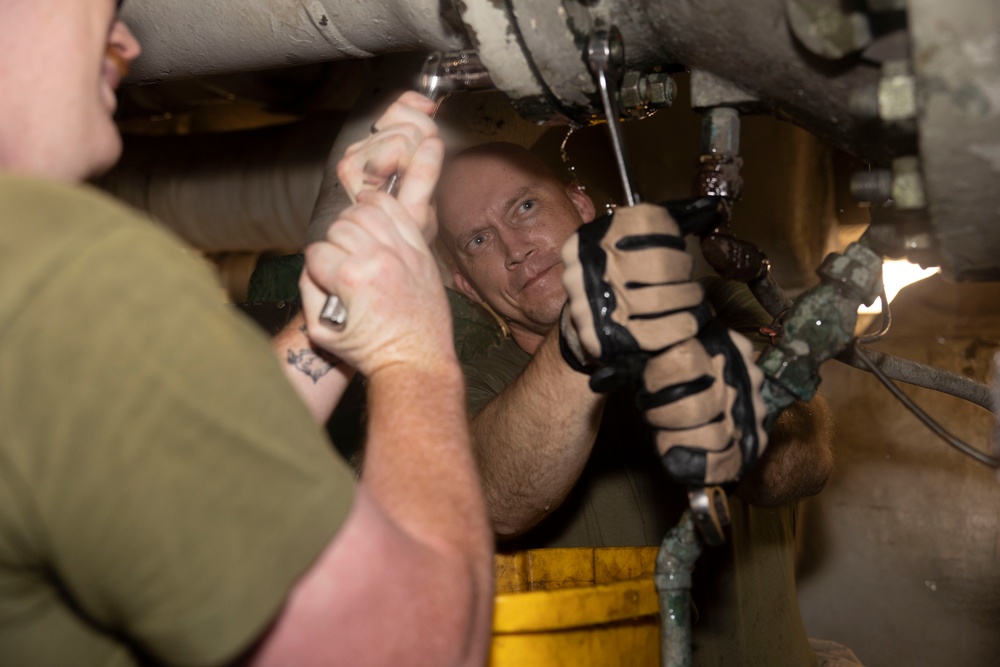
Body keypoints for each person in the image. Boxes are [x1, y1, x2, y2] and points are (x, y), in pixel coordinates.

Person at [0, 3, 493, 666]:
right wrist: (412, 352)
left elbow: (181, 482)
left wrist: (345, 305)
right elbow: (418, 648)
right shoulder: (67, 272)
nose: (125, 40)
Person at [337, 92, 844, 665]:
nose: (515, 249)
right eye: (478, 240)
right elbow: (497, 501)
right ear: (468, 287)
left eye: (525, 207)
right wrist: (586, 325)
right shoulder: (455, 394)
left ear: (581, 206)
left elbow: (798, 468)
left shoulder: (718, 307)